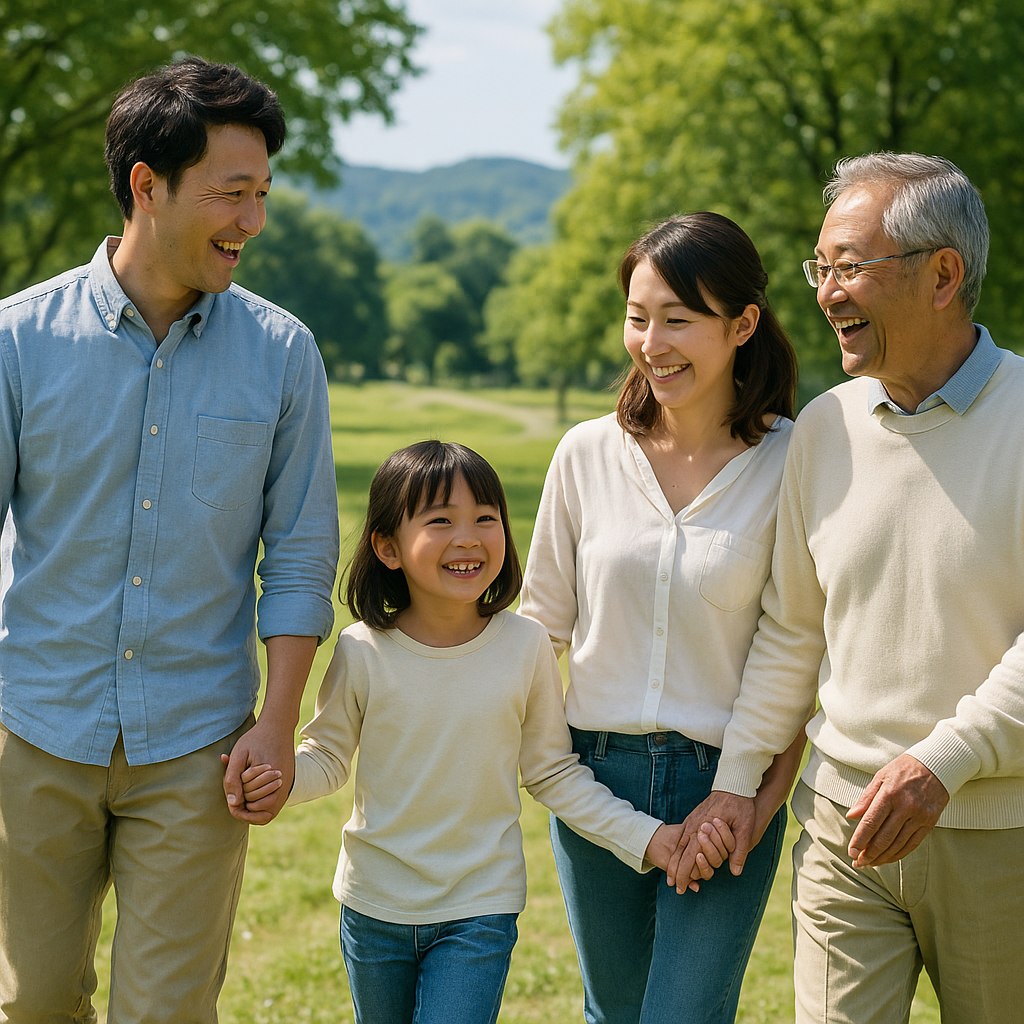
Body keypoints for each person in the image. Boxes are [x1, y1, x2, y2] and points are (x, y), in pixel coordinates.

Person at [0, 58, 339, 1021]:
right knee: (30, 1003)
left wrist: (277, 723)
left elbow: (304, 553)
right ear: (147, 185)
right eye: (231, 194)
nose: (253, 221)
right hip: (33, 729)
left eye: (263, 193)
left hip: (198, 745)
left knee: (167, 1013)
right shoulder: (17, 342)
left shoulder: (283, 355)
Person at [671, 153, 1024, 1024]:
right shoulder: (825, 428)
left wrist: (943, 764)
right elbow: (793, 630)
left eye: (851, 267)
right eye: (821, 267)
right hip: (841, 829)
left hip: (1001, 839)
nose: (827, 291)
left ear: (944, 274)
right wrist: (740, 780)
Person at [241, 440, 686, 1024]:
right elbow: (326, 756)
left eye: (486, 518)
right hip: (374, 907)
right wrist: (275, 781)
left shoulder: (525, 646)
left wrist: (644, 837)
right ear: (387, 547)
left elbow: (553, 771)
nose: (468, 537)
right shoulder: (362, 650)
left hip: (480, 908)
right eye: (440, 521)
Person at [517, 212, 804, 1024]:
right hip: (593, 777)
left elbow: (793, 644)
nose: (652, 342)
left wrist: (742, 794)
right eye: (638, 318)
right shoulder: (584, 453)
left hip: (724, 784)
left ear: (742, 324)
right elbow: (541, 628)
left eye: (679, 319)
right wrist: (554, 773)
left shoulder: (795, 460)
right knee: (612, 1013)